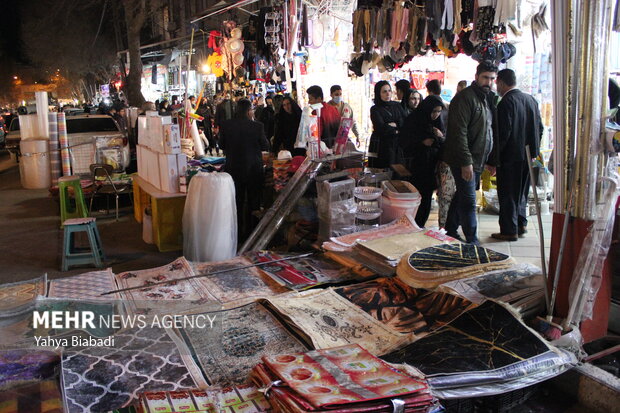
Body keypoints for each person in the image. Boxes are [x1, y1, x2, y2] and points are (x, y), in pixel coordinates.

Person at [442, 61, 498, 244]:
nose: (488, 82)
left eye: (492, 79)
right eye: (485, 77)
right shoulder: (465, 98)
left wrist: (489, 160)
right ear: (476, 77)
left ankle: (450, 229)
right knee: (468, 200)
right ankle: (472, 240)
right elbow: (459, 133)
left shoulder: (485, 98)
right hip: (464, 160)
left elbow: (487, 131)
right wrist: (466, 163)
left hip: (477, 160)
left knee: (463, 195)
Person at [491, 69, 543, 241]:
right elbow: (539, 128)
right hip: (528, 156)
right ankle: (521, 224)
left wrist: (494, 158)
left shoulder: (506, 102)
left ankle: (508, 230)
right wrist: (534, 150)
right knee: (522, 192)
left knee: (508, 194)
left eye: (496, 82)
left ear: (501, 82)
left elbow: (503, 134)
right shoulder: (531, 100)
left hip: (510, 157)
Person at [219, 99, 270, 240]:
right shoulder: (257, 126)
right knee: (253, 202)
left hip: (233, 169)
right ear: (249, 111)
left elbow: (221, 145)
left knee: (237, 202)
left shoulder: (226, 125)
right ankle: (251, 234)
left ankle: (237, 234)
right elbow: (265, 146)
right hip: (254, 169)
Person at [401, 94, 446, 227]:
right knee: (416, 197)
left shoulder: (438, 123)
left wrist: (440, 137)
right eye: (433, 111)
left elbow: (442, 143)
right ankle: (413, 224)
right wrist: (421, 142)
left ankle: (420, 224)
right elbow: (405, 141)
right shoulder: (414, 120)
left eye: (438, 111)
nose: (436, 115)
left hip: (431, 166)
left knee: (426, 197)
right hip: (415, 166)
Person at [368, 81, 407, 168]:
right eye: (384, 91)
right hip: (382, 146)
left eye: (389, 90)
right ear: (379, 93)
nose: (388, 93)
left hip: (397, 146)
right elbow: (380, 128)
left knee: (398, 171)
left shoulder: (397, 106)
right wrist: (397, 129)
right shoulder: (375, 109)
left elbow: (405, 122)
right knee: (383, 172)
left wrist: (394, 125)